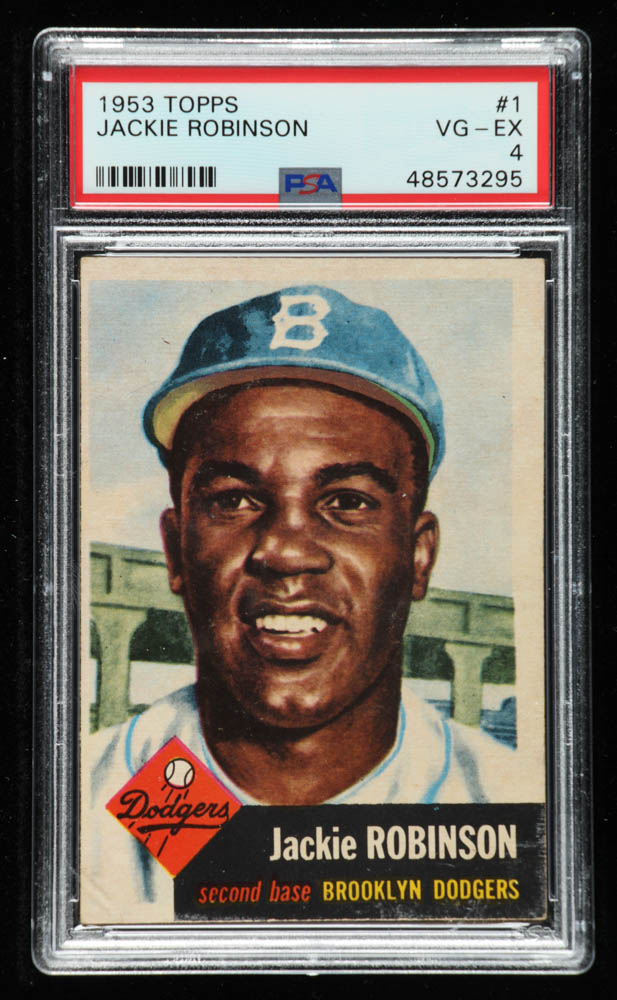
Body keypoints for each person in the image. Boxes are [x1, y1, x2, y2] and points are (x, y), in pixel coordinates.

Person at [84, 286, 519, 917]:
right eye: (234, 500)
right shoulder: (74, 810)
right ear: (176, 551)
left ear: (419, 557)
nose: (286, 551)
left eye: (347, 502)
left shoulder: (515, 806)